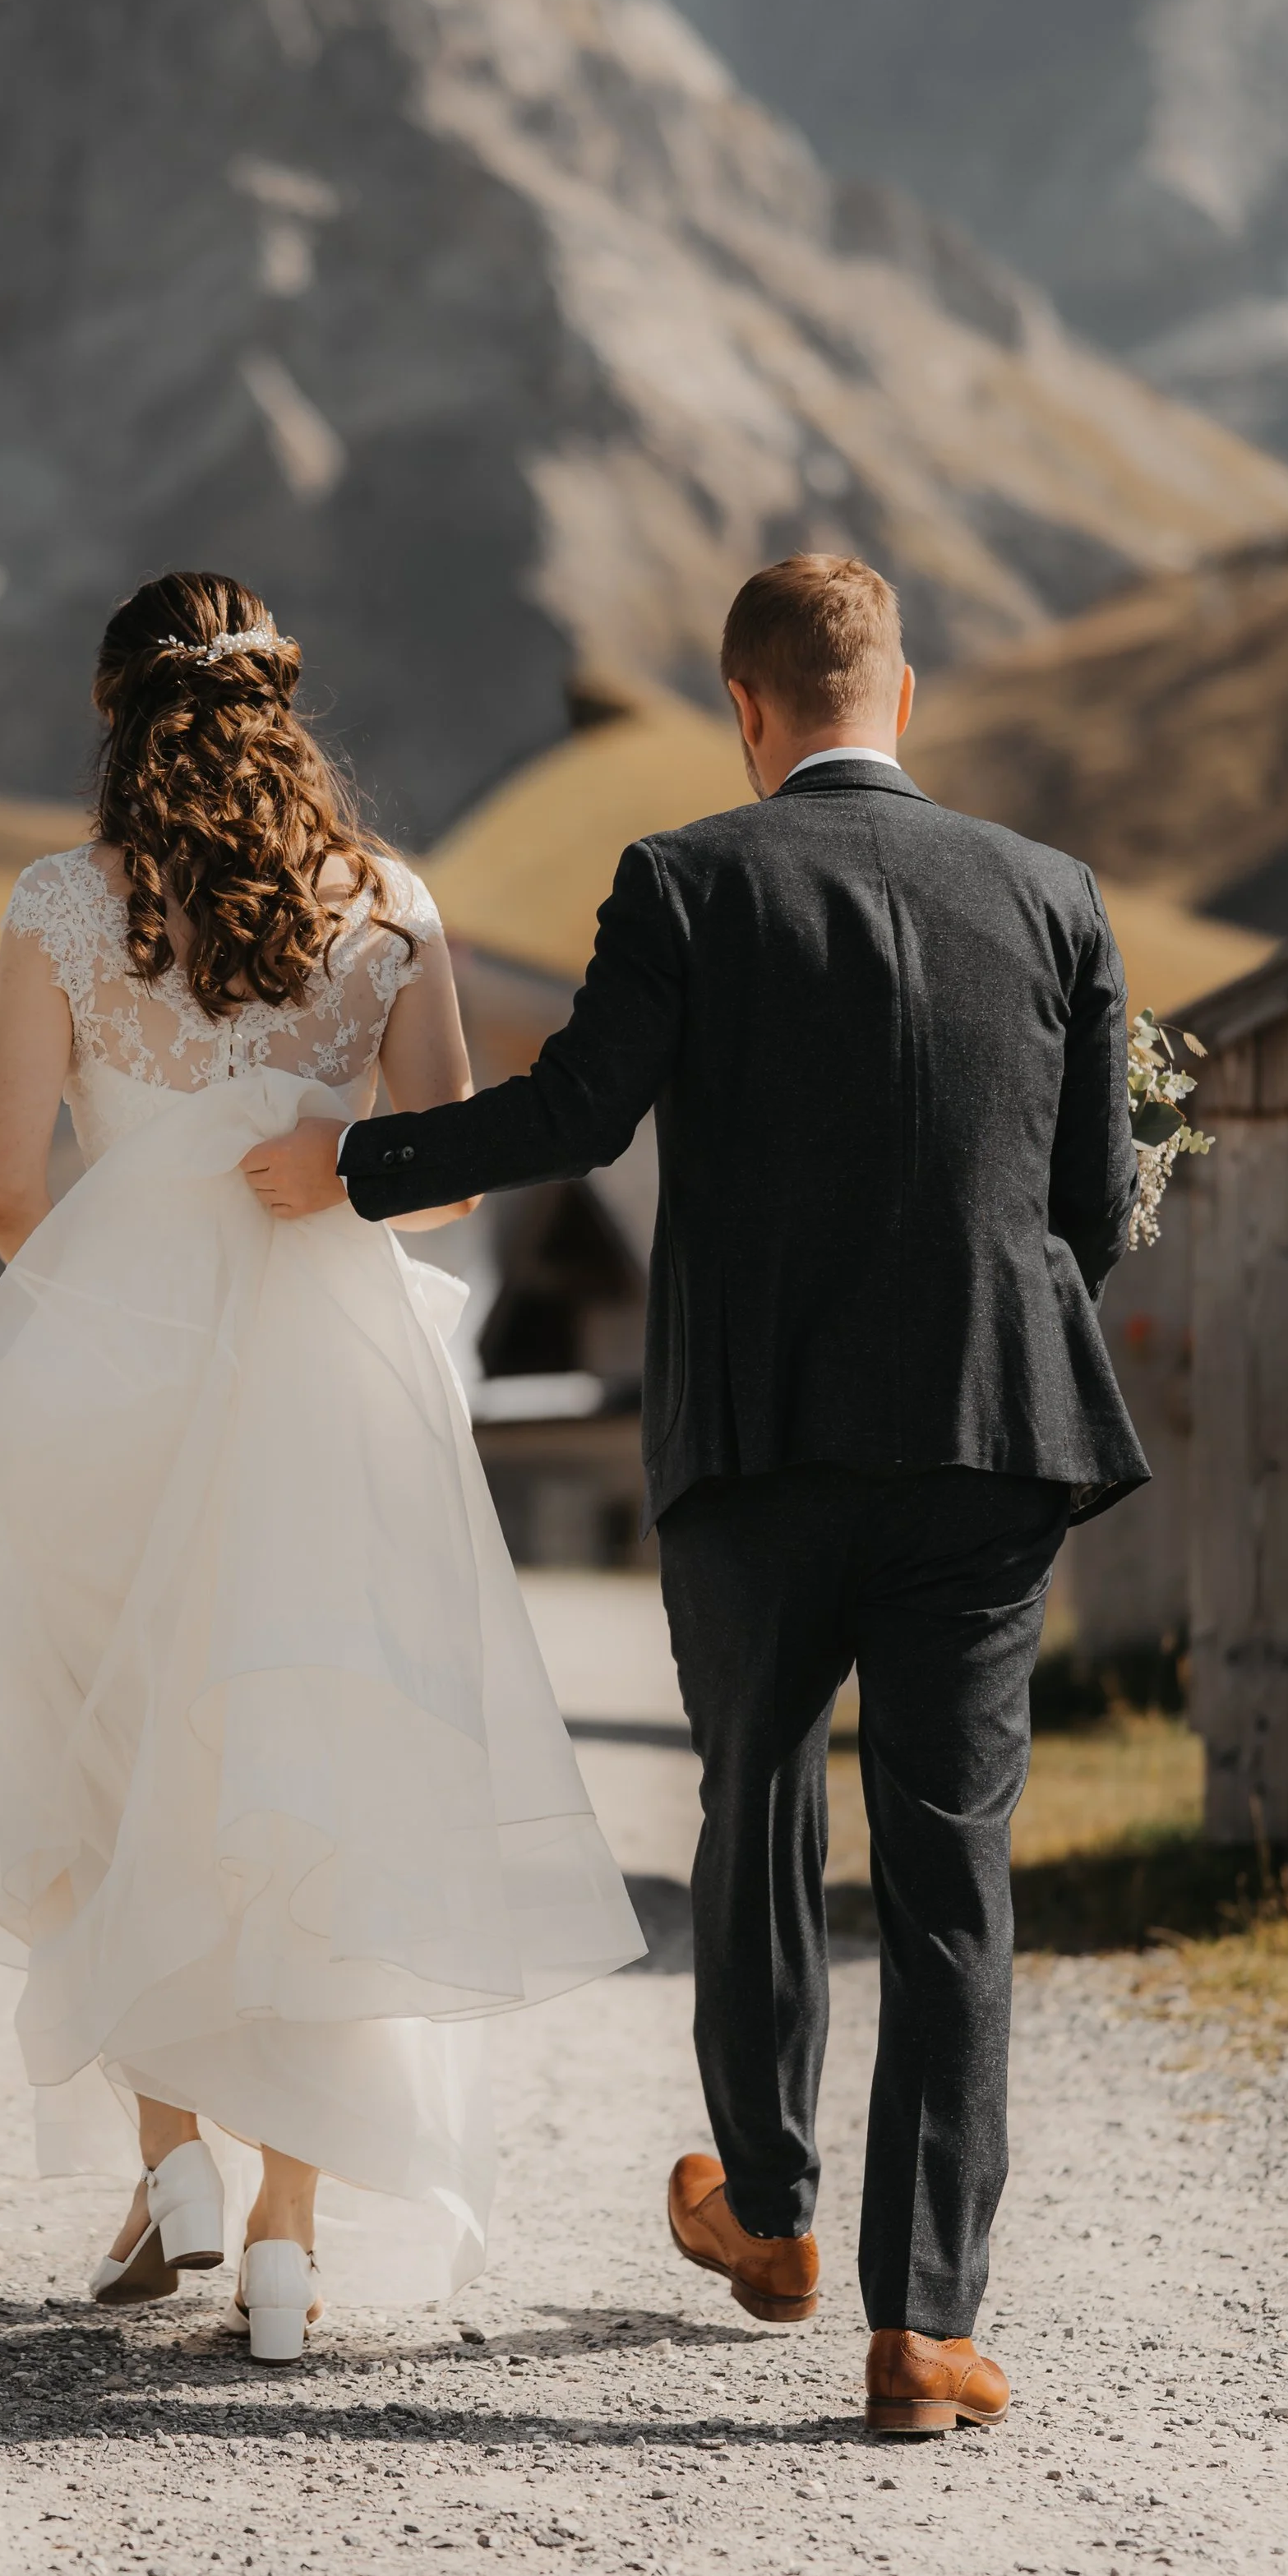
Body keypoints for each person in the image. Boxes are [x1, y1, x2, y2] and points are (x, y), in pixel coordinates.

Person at [242, 552, 1147, 2433]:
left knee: (751, 1807)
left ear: (745, 711)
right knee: (948, 1870)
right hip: (987, 1439)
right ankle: (922, 2321)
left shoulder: (688, 879)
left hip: (750, 1443)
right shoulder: (1055, 895)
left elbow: (573, 1116)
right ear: (904, 691)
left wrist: (354, 1159)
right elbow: (1094, 1217)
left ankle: (773, 2208)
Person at [0, 570, 641, 2361]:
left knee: (103, 1747)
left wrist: (113, 1297)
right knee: (299, 1782)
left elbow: (7, 1181)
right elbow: (444, 1174)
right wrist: (329, 1153)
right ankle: (289, 2246)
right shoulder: (388, 905)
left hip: (126, 1399)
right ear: (284, 708)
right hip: (328, 1400)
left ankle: (174, 2169)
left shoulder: (60, 907)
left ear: (116, 719)